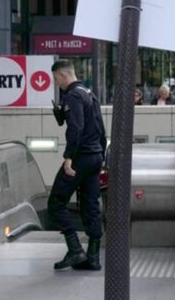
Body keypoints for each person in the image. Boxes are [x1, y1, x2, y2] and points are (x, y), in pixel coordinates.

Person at [48, 59, 107, 271]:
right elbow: (100, 128)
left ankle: (75, 250)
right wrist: (101, 156)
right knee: (91, 206)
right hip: (95, 157)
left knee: (55, 203)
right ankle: (93, 257)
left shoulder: (72, 95)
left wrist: (68, 156)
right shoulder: (89, 93)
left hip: (80, 157)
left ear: (63, 76)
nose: (57, 83)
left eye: (56, 79)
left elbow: (76, 128)